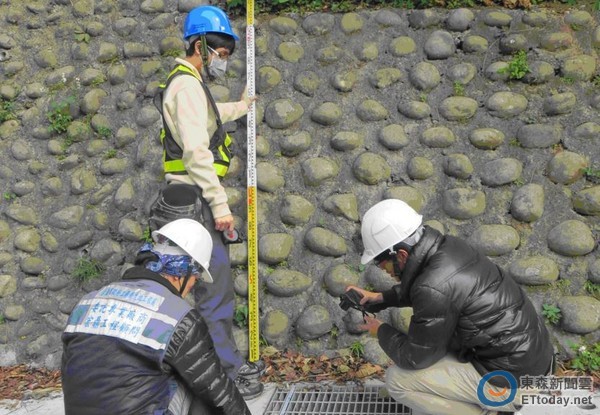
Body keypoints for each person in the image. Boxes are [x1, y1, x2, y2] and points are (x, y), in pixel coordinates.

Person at [347, 199, 554, 415]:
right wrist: (380, 298)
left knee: (399, 381)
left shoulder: (433, 285)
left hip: (515, 385)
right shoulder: (449, 248)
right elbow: (433, 289)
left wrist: (379, 330)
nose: (383, 270)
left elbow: (415, 357)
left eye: (381, 264)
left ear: (400, 255)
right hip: (534, 363)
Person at [150, 5, 263, 398]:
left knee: (176, 291)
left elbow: (207, 118)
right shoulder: (187, 86)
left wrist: (242, 106)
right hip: (196, 202)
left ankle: (176, 373)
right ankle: (228, 378)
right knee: (214, 293)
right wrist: (220, 206)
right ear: (200, 46)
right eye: (222, 53)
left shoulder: (186, 84)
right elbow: (198, 152)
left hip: (179, 203)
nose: (224, 61)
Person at [61, 219, 252, 415]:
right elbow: (218, 391)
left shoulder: (87, 302)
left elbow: (70, 372)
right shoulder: (176, 315)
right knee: (198, 386)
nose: (190, 290)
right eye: (194, 280)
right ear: (181, 273)